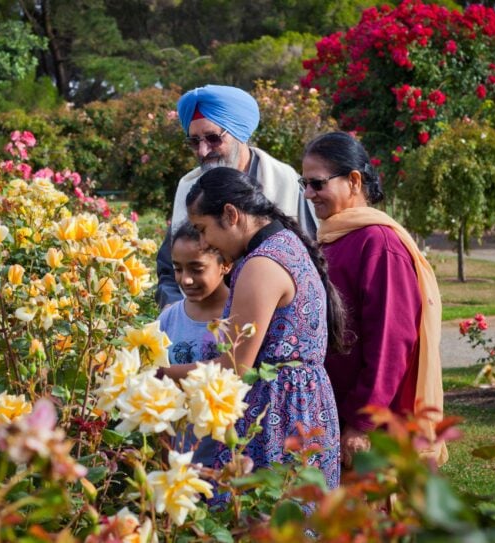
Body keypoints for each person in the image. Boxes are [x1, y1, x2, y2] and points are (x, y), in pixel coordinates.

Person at [161, 167, 347, 489]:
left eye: (203, 229)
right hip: (303, 408)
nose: (204, 241)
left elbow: (234, 367)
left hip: (278, 414)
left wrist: (158, 375)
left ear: (231, 215)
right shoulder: (284, 244)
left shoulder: (261, 264)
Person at [301, 131, 448, 467]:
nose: (309, 194)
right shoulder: (332, 237)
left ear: (354, 181)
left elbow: (391, 342)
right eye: (304, 183)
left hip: (369, 423)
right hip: (331, 411)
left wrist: (363, 421)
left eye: (318, 183)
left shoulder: (378, 244)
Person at [155, 84, 317, 308]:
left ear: (240, 134)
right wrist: (176, 313)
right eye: (194, 142)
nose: (203, 151)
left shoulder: (285, 181)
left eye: (213, 138)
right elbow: (168, 269)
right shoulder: (189, 187)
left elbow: (315, 258)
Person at [158, 221, 231, 465]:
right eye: (178, 269)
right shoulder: (168, 318)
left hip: (228, 455)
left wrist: (165, 372)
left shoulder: (238, 317)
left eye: (197, 269)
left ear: (226, 265)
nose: (185, 280)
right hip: (179, 455)